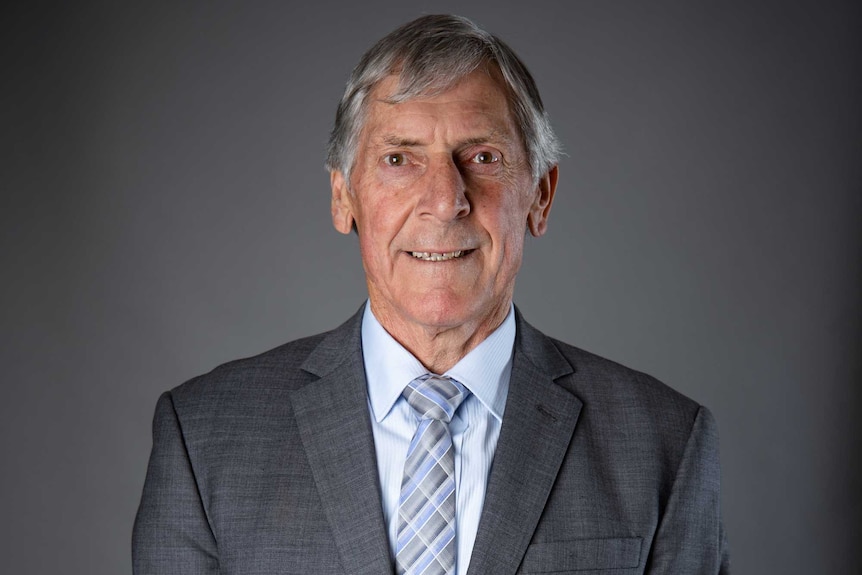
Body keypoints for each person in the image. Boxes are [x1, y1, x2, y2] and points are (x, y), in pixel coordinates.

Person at [132, 14, 729, 575]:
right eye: (398, 159)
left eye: (483, 157)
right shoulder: (204, 437)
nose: (446, 200)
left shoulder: (664, 445)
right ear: (343, 197)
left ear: (540, 197)